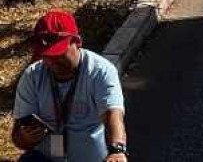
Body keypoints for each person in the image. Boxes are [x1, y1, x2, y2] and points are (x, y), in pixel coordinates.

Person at [11, 9, 127, 162]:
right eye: (46, 56)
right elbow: (18, 139)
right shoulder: (32, 76)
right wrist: (26, 136)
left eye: (58, 54)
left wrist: (117, 150)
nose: (52, 61)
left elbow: (113, 114)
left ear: (77, 42)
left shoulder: (101, 71)